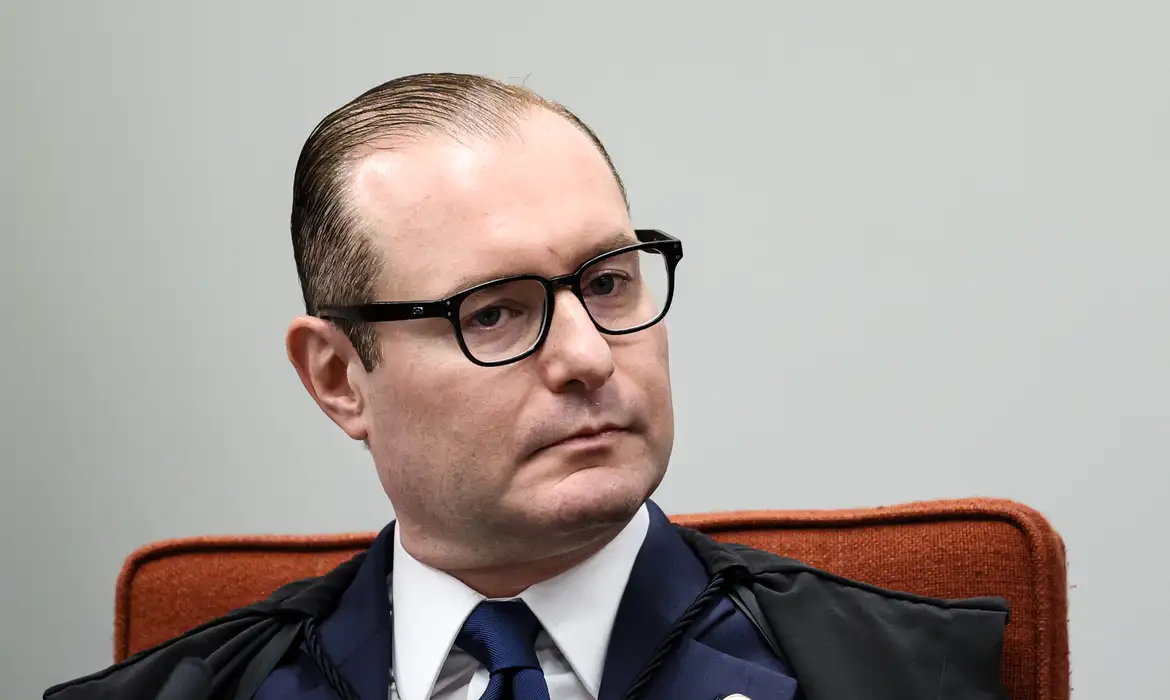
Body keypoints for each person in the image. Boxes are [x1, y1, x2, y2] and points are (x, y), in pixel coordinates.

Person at [45, 73, 1009, 700]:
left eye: (609, 283)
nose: (589, 357)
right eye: (494, 312)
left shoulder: (906, 674)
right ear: (340, 379)